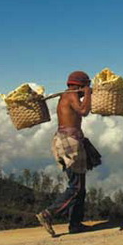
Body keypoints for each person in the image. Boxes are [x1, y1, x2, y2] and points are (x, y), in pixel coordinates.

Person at [36, 71, 101, 236]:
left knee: (81, 187)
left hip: (68, 141)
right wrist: (87, 94)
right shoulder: (71, 95)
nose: (86, 89)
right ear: (79, 85)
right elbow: (84, 111)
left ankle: (75, 225)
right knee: (76, 187)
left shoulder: (67, 95)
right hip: (69, 143)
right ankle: (48, 214)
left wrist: (86, 93)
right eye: (85, 86)